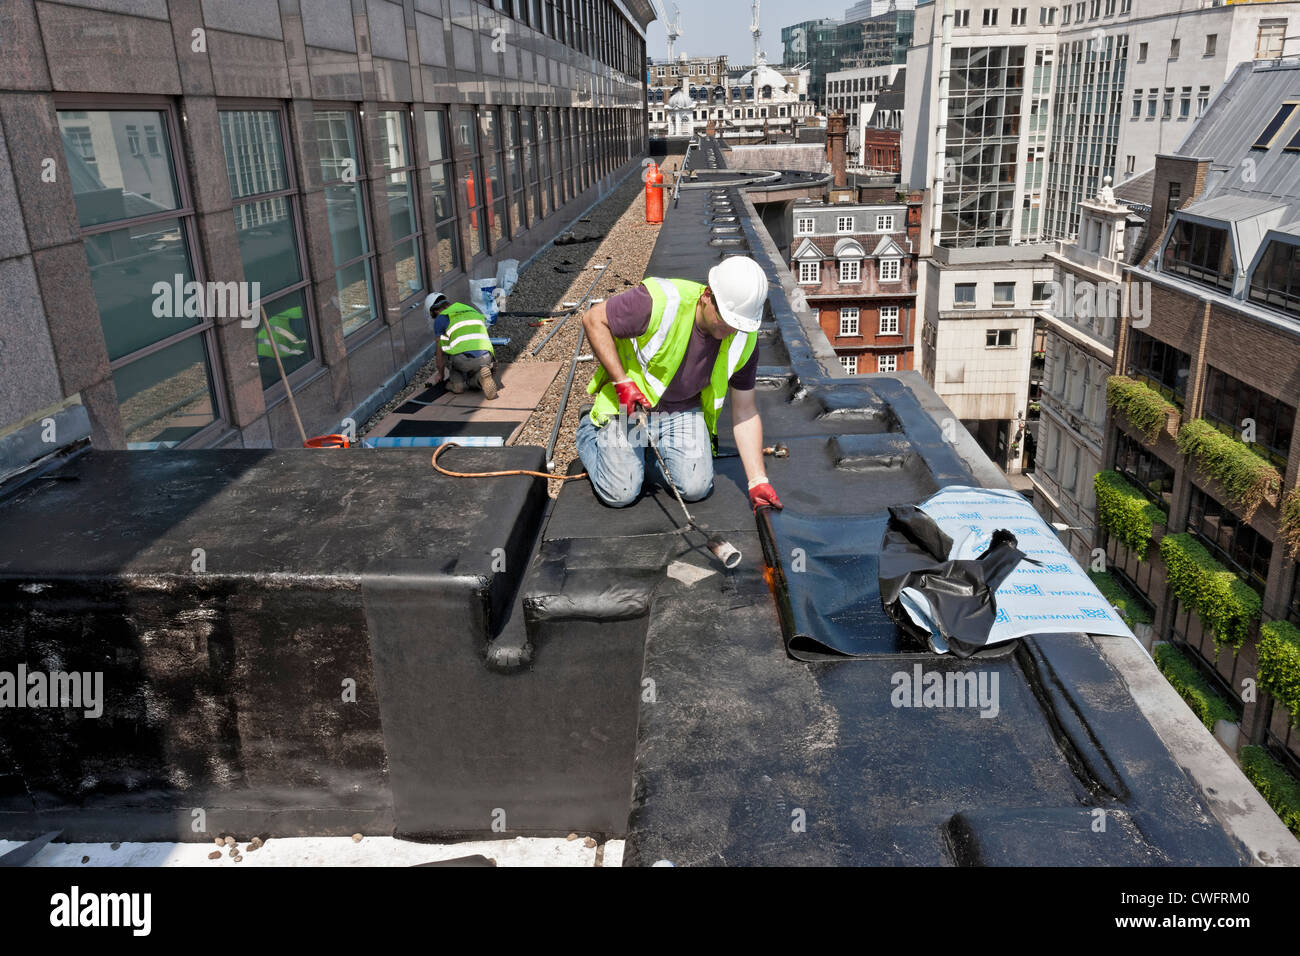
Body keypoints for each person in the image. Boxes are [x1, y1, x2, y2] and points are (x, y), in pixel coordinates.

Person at [577, 256, 783, 513]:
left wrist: (757, 481)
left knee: (696, 487)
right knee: (621, 492)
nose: (730, 329)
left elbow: (745, 411)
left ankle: (642, 455)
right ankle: (589, 430)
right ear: (707, 295)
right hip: (630, 407)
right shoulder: (661, 302)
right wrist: (622, 382)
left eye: (737, 324)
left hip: (682, 411)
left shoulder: (744, 339)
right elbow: (593, 319)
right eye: (726, 319)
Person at [425, 292, 498, 399]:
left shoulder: (441, 318)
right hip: (487, 356)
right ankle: (479, 378)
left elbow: (439, 353)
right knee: (474, 365)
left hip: (464, 361)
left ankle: (457, 384)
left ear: (436, 311)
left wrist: (440, 374)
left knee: (446, 349)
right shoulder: (470, 309)